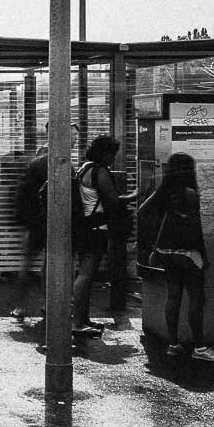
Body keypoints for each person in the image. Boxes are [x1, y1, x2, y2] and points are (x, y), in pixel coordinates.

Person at [137, 152, 214, 362]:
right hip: (188, 253)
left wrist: (154, 235)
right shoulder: (191, 194)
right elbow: (196, 229)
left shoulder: (164, 191)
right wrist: (203, 254)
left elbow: (142, 211)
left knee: (173, 297)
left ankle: (173, 343)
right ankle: (200, 347)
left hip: (166, 252)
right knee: (196, 298)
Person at [72, 134, 137, 335]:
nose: (113, 159)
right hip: (95, 228)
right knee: (86, 274)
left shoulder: (84, 167)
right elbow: (113, 199)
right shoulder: (98, 170)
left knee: (85, 273)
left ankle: (83, 319)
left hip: (85, 227)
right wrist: (135, 195)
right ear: (105, 153)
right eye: (111, 154)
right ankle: (78, 323)